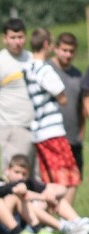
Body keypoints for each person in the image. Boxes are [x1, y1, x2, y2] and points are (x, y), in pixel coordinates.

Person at [22, 28, 81, 205]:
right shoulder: (44, 70)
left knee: (49, 179)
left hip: (39, 131)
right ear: (47, 44)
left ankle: (47, 217)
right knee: (70, 177)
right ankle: (66, 219)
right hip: (52, 130)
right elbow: (62, 97)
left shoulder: (27, 68)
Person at [0, 18, 36, 174]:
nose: (17, 42)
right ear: (4, 38)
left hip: (36, 126)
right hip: (12, 126)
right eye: (13, 38)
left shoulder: (32, 59)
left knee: (35, 177)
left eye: (20, 37)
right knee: (15, 176)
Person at [0, 154, 89, 234]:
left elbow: (62, 189)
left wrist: (50, 195)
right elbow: (20, 193)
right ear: (8, 170)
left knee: (55, 198)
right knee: (29, 203)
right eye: (17, 172)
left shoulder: (29, 183)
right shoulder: (1, 183)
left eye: (24, 174)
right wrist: (43, 197)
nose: (20, 177)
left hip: (31, 221)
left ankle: (78, 222)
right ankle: (65, 227)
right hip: (13, 225)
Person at [48, 32, 85, 190]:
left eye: (71, 51)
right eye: (64, 50)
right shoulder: (46, 70)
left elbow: (81, 107)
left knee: (74, 181)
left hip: (73, 137)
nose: (68, 54)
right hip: (51, 136)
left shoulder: (79, 75)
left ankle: (67, 216)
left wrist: (81, 134)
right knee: (52, 182)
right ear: (55, 49)